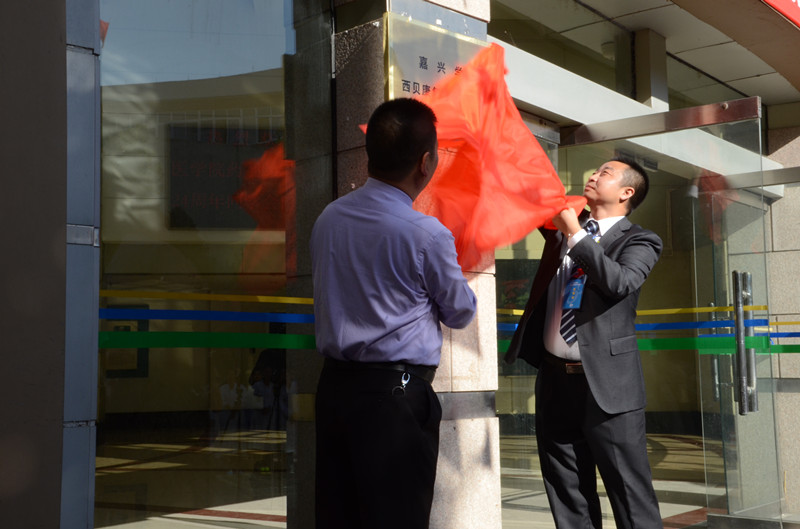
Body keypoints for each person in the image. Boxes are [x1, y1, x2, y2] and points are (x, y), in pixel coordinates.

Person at [310, 98, 477, 529]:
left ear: (371, 155)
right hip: (394, 396)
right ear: (426, 162)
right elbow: (460, 312)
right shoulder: (427, 234)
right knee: (398, 516)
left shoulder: (328, 218)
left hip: (334, 389)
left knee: (338, 515)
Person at [505, 157, 663, 529]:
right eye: (595, 170)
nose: (593, 175)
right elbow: (528, 193)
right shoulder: (560, 229)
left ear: (626, 192)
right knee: (567, 491)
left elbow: (619, 282)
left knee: (629, 495)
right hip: (555, 380)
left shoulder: (639, 240)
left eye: (605, 173)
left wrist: (576, 233)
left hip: (608, 385)